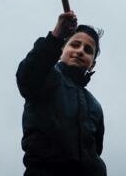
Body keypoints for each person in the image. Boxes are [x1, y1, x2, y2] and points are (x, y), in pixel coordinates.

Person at [16, 11, 106, 176]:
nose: (80, 51)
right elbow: (27, 77)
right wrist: (56, 35)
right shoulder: (48, 77)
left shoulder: (95, 106)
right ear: (62, 49)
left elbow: (95, 150)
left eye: (88, 50)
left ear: (92, 64)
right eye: (75, 45)